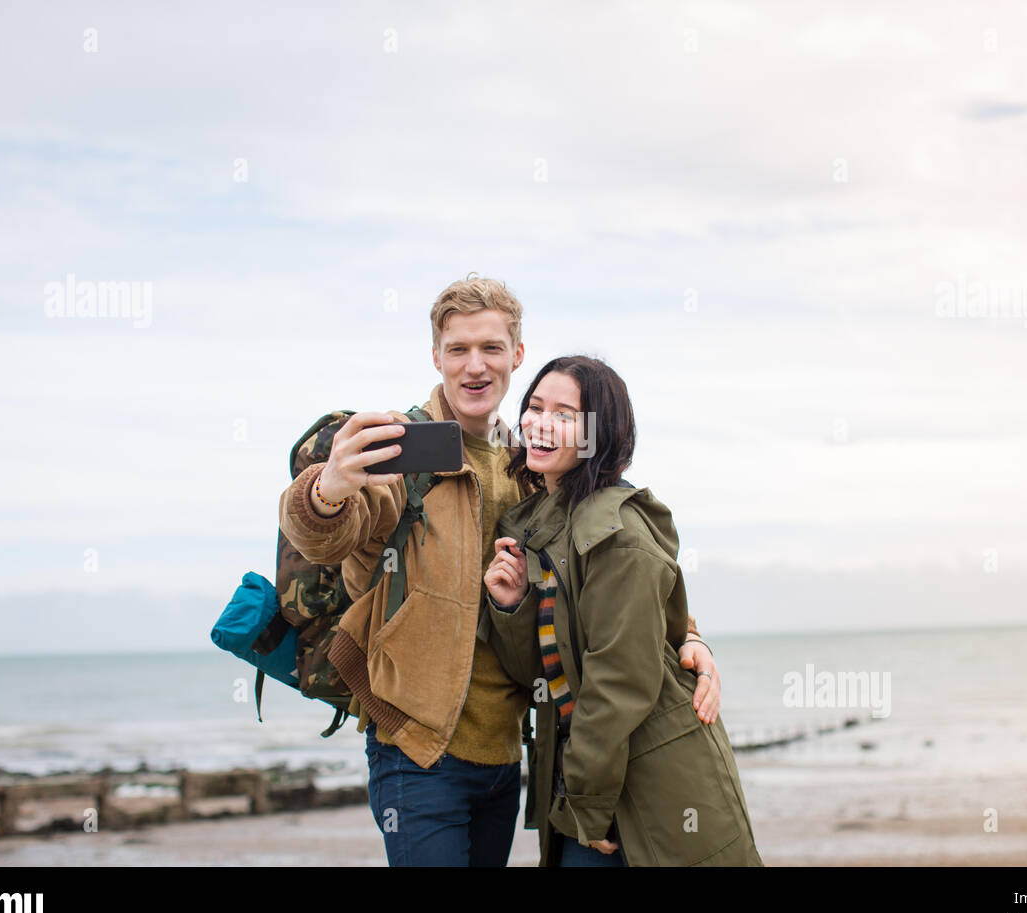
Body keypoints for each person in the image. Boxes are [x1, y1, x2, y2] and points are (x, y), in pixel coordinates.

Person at [277, 277, 724, 866]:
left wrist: (687, 633)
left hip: (505, 754)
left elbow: (607, 567)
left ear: (517, 355)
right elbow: (330, 531)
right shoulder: (403, 447)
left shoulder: (531, 464)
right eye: (457, 349)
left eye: (490, 348)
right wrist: (328, 489)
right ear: (435, 356)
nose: (474, 367)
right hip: (417, 750)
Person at [483, 355, 763, 866]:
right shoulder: (535, 525)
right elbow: (539, 674)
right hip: (582, 781)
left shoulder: (618, 534)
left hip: (650, 781)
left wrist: (587, 806)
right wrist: (512, 606)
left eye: (565, 414)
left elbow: (619, 682)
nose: (540, 423)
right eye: (535, 407)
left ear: (600, 434)